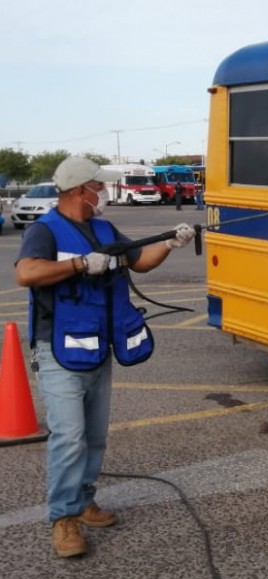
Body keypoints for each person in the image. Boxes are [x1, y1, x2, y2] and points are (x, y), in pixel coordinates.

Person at [14, 156, 196, 558]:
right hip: (59, 348)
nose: (106, 193)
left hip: (99, 344)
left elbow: (139, 262)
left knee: (94, 436)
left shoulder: (103, 227)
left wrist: (168, 243)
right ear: (82, 189)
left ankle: (84, 500)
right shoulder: (45, 231)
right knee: (69, 436)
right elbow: (26, 273)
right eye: (101, 186)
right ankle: (64, 518)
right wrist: (80, 264)